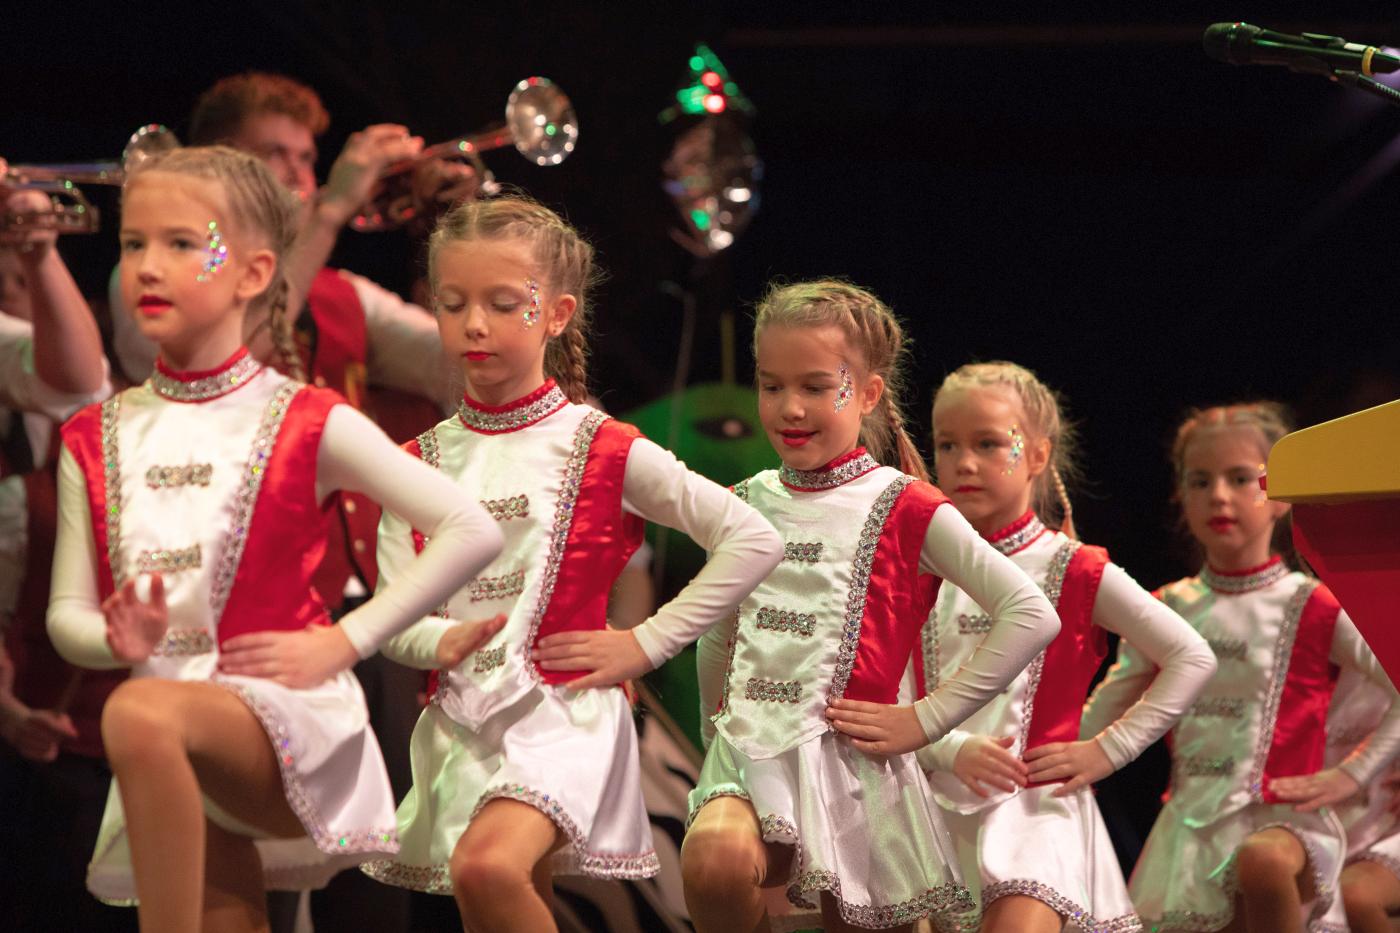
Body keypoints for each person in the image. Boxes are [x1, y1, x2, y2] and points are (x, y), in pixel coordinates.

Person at [45, 144, 505, 931]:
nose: (148, 266)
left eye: (181, 243)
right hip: (177, 734)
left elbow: (471, 527)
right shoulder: (94, 436)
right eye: (133, 243)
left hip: (284, 718)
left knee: (136, 710)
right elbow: (66, 615)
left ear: (254, 272)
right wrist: (112, 637)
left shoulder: (303, 416)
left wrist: (344, 641)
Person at [359, 194, 782, 932]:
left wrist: (643, 643)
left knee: (487, 867)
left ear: (556, 314)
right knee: (496, 896)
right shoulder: (414, 463)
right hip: (463, 720)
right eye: (453, 304)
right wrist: (441, 641)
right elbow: (394, 616)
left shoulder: (600, 446)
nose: (475, 324)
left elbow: (752, 538)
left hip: (564, 715)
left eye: (502, 304)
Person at [682, 281, 1060, 932]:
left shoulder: (906, 506)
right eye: (771, 386)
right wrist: (712, 738)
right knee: (713, 863)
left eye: (816, 387)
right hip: (749, 755)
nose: (790, 407)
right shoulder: (742, 500)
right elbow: (718, 634)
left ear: (868, 392)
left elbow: (1030, 612)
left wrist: (924, 720)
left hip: (857, 776)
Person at [919, 361, 1215, 932]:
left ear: (1037, 455)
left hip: (1035, 816)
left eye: (988, 443)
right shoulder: (919, 567)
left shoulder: (1072, 568)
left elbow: (1190, 655)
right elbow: (890, 696)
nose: (964, 462)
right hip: (929, 812)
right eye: (947, 445)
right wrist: (949, 748)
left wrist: (1107, 750)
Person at [1083, 402, 1400, 932]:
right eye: (1200, 481)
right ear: (1180, 496)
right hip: (1187, 828)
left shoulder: (1311, 604)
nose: (1219, 496)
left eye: (1240, 479)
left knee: (1262, 861)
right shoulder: (1167, 607)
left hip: (1283, 822)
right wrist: (1053, 760)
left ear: (1279, 495)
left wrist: (1352, 774)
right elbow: (1112, 702)